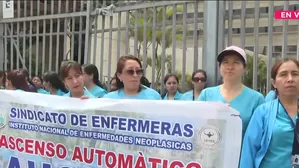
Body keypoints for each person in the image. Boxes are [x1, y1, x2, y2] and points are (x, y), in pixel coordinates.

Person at [240, 58, 299, 168]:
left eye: (295, 74)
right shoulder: (263, 112)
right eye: (283, 74)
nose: (290, 79)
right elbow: (249, 150)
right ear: (274, 83)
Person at [198, 46, 265, 137]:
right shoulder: (206, 94)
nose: (230, 67)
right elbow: (197, 124)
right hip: (210, 149)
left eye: (236, 62)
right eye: (225, 62)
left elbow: (260, 134)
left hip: (243, 151)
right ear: (219, 66)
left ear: (244, 68)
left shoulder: (256, 99)